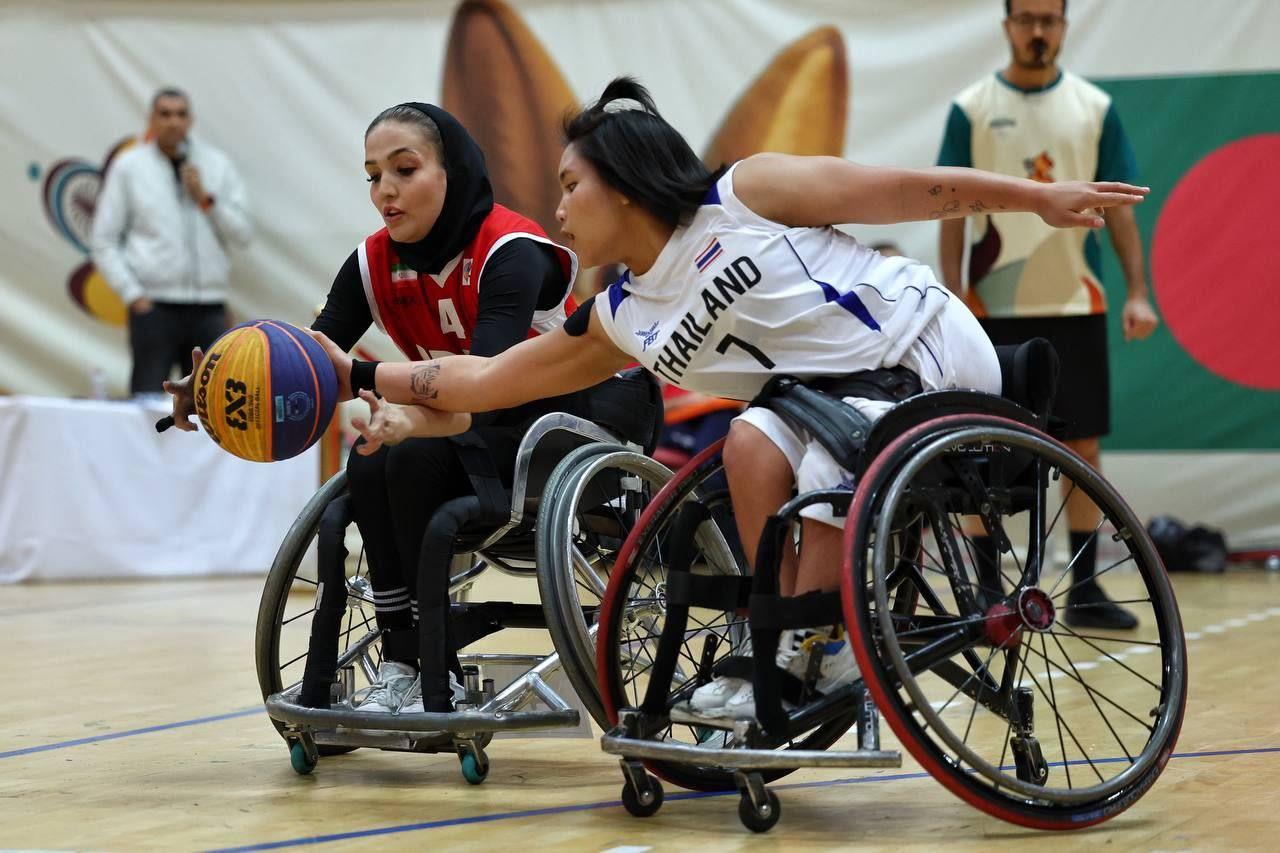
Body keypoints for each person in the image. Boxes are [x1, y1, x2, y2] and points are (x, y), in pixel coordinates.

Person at [306, 77, 1148, 721]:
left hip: (921, 345)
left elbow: (906, 190)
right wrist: (359, 377)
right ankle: (784, 635)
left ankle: (821, 639)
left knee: (823, 450)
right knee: (749, 440)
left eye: (570, 186)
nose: (557, 209)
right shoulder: (622, 314)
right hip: (821, 398)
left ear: (624, 185)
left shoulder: (744, 194)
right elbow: (486, 380)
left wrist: (1037, 199)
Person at [164, 102, 613, 714]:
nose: (385, 191)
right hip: (457, 429)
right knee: (373, 457)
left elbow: (490, 386)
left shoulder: (512, 250)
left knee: (407, 457)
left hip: (551, 429)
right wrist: (218, 386)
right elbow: (313, 362)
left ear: (452, 171)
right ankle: (402, 661)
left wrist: (410, 419)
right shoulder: (372, 262)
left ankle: (431, 666)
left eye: (405, 169)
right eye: (373, 176)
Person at [937, 0, 1159, 630]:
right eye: (1027, 19)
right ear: (1006, 26)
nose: (1038, 31)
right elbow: (949, 207)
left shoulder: (1094, 108)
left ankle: (1084, 588)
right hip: (991, 309)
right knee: (983, 447)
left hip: (1075, 302)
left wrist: (1137, 292)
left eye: (1049, 20)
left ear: (1064, 26)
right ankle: (985, 592)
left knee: (1080, 444)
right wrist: (952, 295)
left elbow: (1119, 207)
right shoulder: (971, 108)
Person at [91, 88, 251, 395]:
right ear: (151, 119)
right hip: (155, 308)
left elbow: (243, 234)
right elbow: (103, 240)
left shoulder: (216, 165)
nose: (173, 122)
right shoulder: (130, 167)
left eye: (180, 114)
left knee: (213, 401)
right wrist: (133, 295)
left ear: (190, 120)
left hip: (208, 308)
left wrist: (205, 199)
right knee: (148, 401)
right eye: (165, 114)